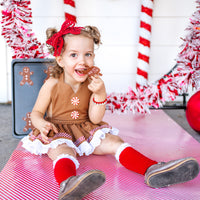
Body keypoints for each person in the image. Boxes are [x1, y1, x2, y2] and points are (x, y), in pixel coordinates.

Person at [22, 19, 199, 200]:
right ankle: (69, 184)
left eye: (88, 54)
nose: (83, 60)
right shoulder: (51, 84)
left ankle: (152, 169)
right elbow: (36, 113)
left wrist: (99, 94)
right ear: (60, 60)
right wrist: (42, 124)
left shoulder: (93, 84)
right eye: (74, 55)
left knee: (114, 141)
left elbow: (95, 118)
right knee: (62, 150)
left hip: (84, 129)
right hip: (58, 130)